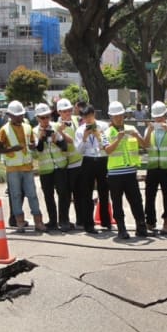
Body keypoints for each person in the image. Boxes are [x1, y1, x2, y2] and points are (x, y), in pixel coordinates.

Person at [0, 100, 46, 232]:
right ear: (10, 115)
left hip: (27, 167)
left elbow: (31, 143)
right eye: (16, 115)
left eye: (20, 115)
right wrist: (12, 149)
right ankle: (19, 221)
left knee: (32, 195)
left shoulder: (27, 127)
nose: (19, 117)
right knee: (16, 195)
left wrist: (32, 145)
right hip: (13, 168)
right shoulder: (4, 130)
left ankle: (38, 221)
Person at [104, 100, 148, 239]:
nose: (119, 118)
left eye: (121, 115)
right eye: (115, 116)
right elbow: (108, 151)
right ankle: (121, 229)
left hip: (130, 172)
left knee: (136, 200)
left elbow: (145, 145)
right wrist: (117, 139)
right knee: (117, 202)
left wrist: (136, 136)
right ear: (111, 117)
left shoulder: (131, 129)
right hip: (115, 174)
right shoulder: (107, 132)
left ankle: (141, 226)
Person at [33, 102, 70, 231]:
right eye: (42, 117)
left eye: (47, 116)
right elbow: (38, 150)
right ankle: (53, 221)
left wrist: (57, 140)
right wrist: (42, 138)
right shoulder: (34, 131)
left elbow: (65, 147)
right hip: (45, 169)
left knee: (63, 195)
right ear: (37, 118)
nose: (46, 120)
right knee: (49, 196)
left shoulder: (55, 127)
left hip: (60, 167)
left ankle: (64, 221)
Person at [144, 101, 167, 234]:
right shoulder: (150, 129)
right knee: (149, 195)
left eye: (160, 117)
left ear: (165, 115)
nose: (158, 119)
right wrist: (149, 131)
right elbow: (145, 145)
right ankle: (150, 221)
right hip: (153, 166)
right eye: (156, 117)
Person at [75, 105, 111, 234]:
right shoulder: (80, 130)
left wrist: (98, 136)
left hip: (102, 159)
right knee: (86, 193)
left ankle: (106, 221)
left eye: (89, 117)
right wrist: (84, 138)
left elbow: (108, 144)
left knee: (104, 191)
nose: (87, 120)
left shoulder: (104, 126)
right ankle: (88, 224)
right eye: (85, 118)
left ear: (94, 114)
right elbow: (79, 151)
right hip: (88, 160)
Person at [55, 98, 83, 230]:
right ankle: (64, 221)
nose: (67, 113)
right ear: (59, 112)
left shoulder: (77, 120)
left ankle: (81, 220)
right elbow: (65, 144)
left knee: (80, 194)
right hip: (66, 166)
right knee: (65, 196)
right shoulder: (57, 126)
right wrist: (61, 132)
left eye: (69, 110)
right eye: (64, 111)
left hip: (79, 163)